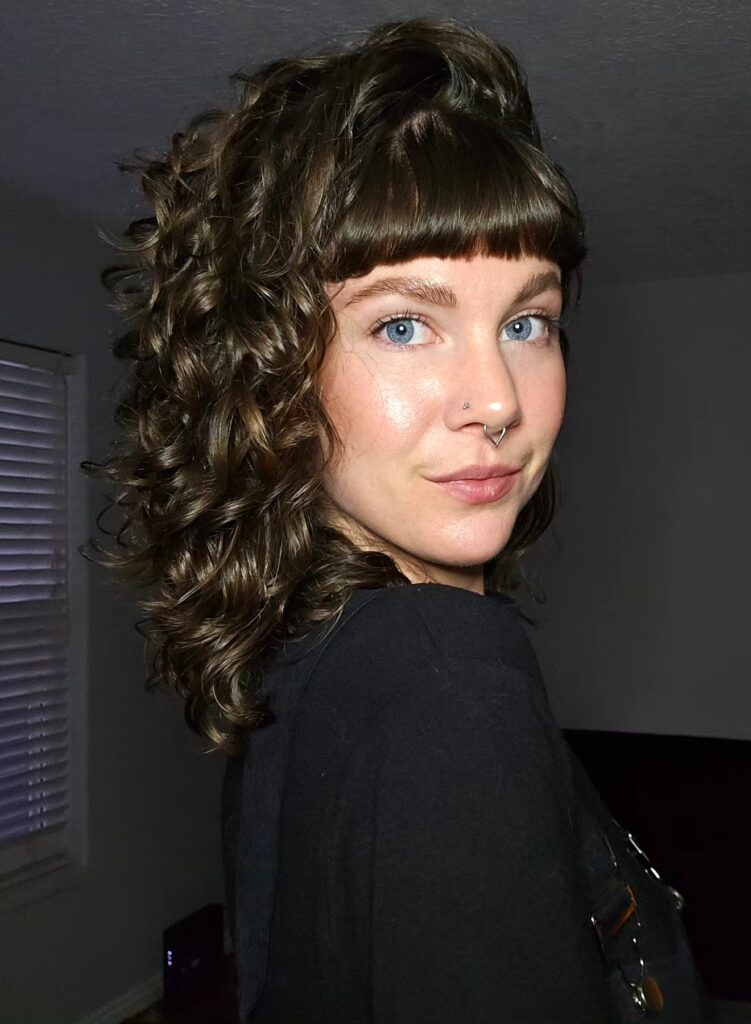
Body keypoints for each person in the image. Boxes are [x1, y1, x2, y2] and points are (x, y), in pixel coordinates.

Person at [85, 16, 711, 1024]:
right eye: (405, 324)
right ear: (276, 376)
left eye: (526, 321)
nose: (497, 397)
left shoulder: (318, 659)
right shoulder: (439, 682)